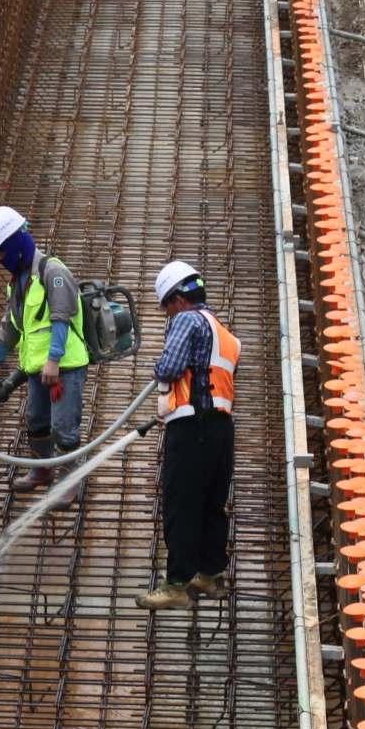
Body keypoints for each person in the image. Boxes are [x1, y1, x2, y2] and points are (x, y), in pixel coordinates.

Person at [137, 260, 240, 611]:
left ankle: (177, 585)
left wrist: (159, 376)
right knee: (212, 504)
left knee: (180, 505)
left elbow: (169, 367)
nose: (166, 314)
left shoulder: (187, 319)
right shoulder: (224, 334)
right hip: (221, 429)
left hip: (193, 429)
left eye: (166, 305)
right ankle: (210, 577)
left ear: (179, 299)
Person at [0, 206, 86, 492]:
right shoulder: (19, 280)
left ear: (15, 243)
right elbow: (11, 325)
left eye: (1, 252)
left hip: (65, 366)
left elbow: (61, 317)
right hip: (36, 367)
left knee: (63, 426)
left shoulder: (53, 271)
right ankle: (41, 471)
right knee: (36, 419)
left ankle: (70, 483)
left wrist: (54, 360)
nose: (0, 259)